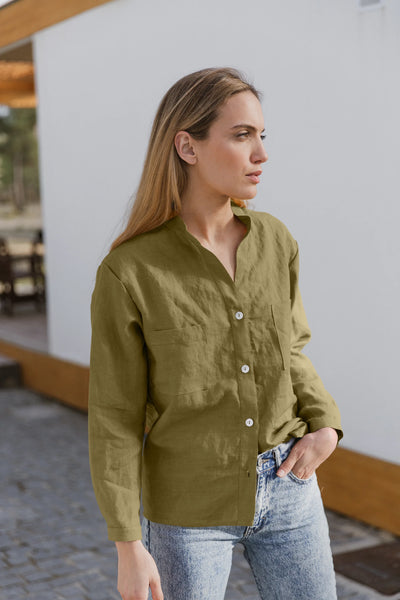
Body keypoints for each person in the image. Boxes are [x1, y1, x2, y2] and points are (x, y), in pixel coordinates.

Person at [88, 67, 343, 600]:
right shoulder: (130, 271)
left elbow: (291, 346)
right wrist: (128, 544)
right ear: (187, 146)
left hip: (291, 485)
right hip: (187, 511)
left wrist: (325, 426)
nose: (262, 154)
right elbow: (114, 414)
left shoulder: (276, 241)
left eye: (262, 136)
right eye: (241, 135)